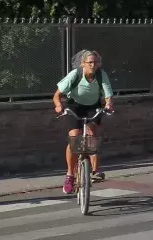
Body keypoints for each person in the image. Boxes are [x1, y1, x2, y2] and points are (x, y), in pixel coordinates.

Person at [53, 50, 114, 195]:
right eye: (90, 62)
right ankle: (69, 175)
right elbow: (57, 95)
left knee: (93, 135)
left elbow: (108, 95)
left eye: (95, 62)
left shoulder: (101, 75)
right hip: (75, 106)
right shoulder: (75, 74)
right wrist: (58, 105)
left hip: (93, 106)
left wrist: (109, 104)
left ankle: (94, 171)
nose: (93, 65)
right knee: (75, 137)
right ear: (83, 64)